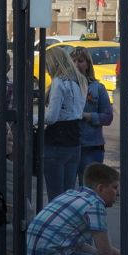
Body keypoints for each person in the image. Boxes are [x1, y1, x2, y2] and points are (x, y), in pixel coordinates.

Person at [41, 44, 86, 201]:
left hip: (56, 140)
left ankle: (55, 225)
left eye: (46, 65)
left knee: (55, 197)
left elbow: (51, 117)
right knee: (68, 195)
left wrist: (32, 118)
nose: (46, 69)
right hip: (74, 139)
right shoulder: (79, 81)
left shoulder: (58, 83)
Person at [72, 46, 113, 187]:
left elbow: (108, 117)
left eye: (81, 61)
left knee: (91, 188)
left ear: (88, 64)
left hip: (92, 146)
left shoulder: (97, 88)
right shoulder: (65, 86)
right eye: (74, 61)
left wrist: (88, 116)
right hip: (70, 145)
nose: (77, 65)